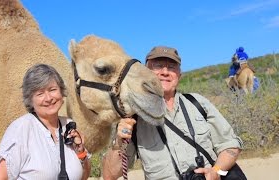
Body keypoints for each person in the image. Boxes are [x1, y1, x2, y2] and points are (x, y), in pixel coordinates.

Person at [102, 46, 244, 180]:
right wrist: (118, 143)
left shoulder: (198, 103)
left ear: (179, 75)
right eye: (158, 66)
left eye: (171, 67)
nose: (165, 72)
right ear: (145, 73)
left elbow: (230, 145)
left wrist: (216, 171)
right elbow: (110, 175)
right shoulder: (133, 118)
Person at [0, 64, 91, 180]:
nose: (48, 98)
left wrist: (81, 153)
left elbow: (83, 176)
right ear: (30, 100)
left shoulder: (68, 126)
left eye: (52, 90)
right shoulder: (21, 129)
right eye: (40, 94)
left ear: (61, 91)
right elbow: (0, 177)